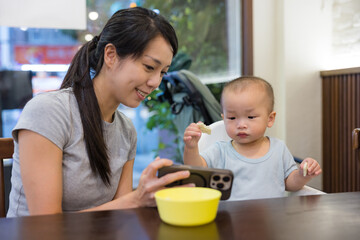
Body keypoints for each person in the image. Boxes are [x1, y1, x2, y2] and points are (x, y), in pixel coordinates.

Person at [7, 7, 192, 217]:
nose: (155, 82)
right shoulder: (49, 112)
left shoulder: (126, 130)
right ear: (111, 55)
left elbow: (120, 215)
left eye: (163, 73)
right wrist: (136, 199)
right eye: (149, 67)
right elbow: (47, 224)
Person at [183, 76, 322, 200]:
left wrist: (303, 175)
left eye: (250, 117)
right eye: (232, 118)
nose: (241, 125)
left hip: (271, 221)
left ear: (270, 118)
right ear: (224, 119)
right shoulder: (220, 151)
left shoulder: (279, 149)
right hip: (231, 220)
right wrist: (191, 147)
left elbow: (290, 184)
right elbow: (196, 170)